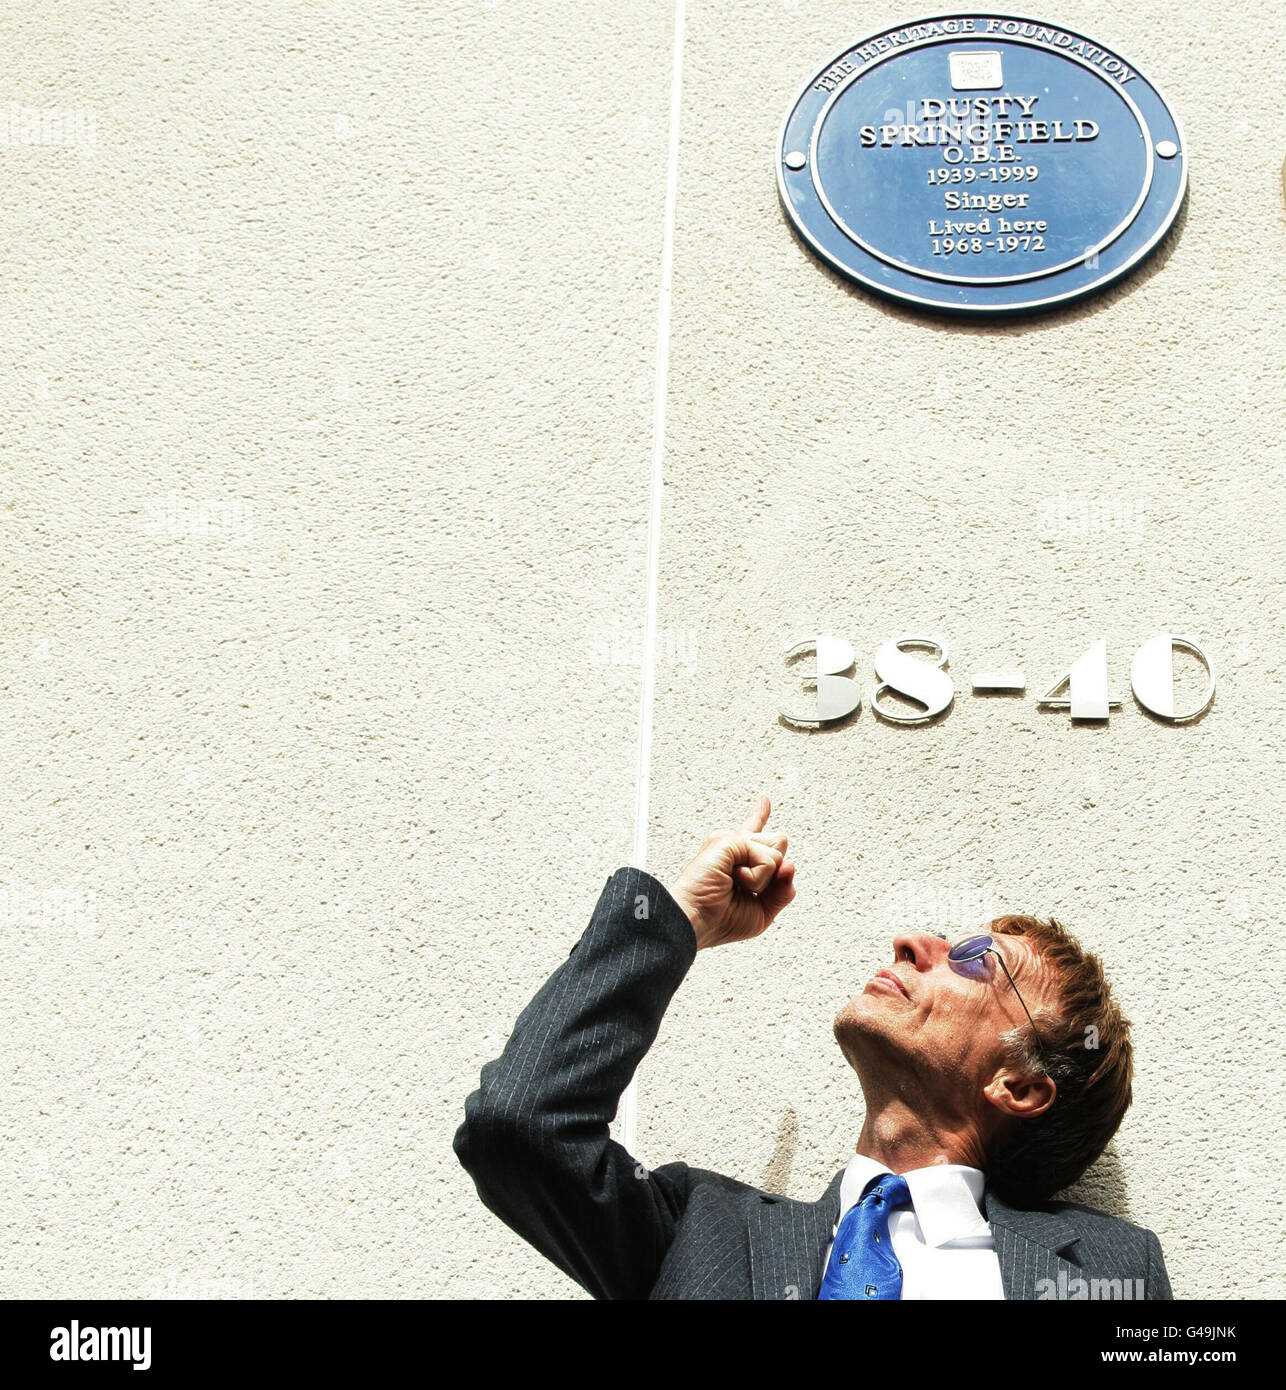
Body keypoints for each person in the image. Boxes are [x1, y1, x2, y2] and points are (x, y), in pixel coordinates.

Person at [455, 796, 1171, 1300]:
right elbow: (519, 1128)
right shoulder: (702, 1231)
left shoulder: (1110, 1269)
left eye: (978, 959)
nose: (915, 943)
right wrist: (677, 921)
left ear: (1018, 1084)